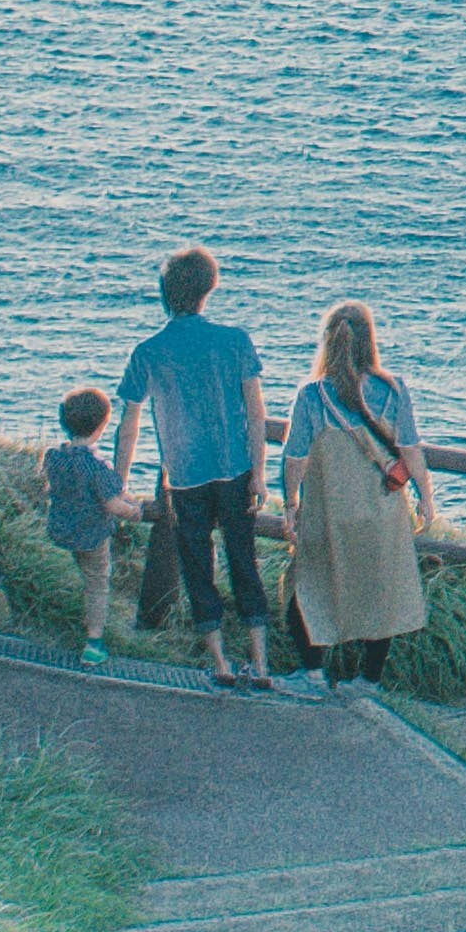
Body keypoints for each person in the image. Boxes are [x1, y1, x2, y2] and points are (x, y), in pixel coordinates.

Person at [117, 249, 275, 695]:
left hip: (184, 475)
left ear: (165, 295)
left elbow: (129, 423)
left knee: (197, 565)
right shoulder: (235, 340)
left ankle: (222, 662)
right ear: (210, 289)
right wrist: (260, 473)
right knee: (244, 559)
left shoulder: (148, 351)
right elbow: (255, 412)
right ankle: (260, 664)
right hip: (235, 468)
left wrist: (120, 480)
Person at [284, 300, 433, 684]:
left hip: (329, 513)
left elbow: (295, 458)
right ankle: (368, 681)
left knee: (310, 587)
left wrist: (289, 505)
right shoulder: (393, 389)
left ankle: (313, 672)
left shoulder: (312, 396)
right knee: (378, 592)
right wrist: (426, 499)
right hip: (381, 512)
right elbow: (412, 450)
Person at [43, 391, 131, 654]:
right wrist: (135, 512)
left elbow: (49, 487)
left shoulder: (53, 457)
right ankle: (94, 642)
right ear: (103, 426)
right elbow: (112, 504)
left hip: (61, 529)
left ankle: (62, 620)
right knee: (96, 583)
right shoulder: (97, 467)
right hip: (91, 535)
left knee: (74, 573)